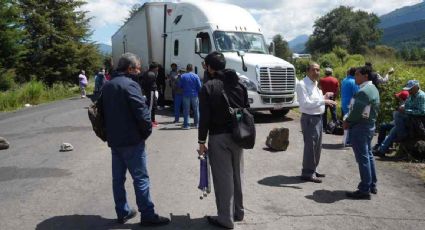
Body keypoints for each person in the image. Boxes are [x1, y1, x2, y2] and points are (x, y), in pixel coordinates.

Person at [101, 53, 170, 226]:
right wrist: (145, 133)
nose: (139, 71)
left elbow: (102, 112)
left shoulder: (108, 85)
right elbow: (142, 113)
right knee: (140, 178)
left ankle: (122, 211)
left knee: (118, 179)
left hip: (115, 141)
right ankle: (147, 214)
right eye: (138, 68)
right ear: (130, 68)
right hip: (132, 141)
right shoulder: (130, 85)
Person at [198, 51, 249, 229]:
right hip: (239, 135)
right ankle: (239, 211)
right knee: (237, 174)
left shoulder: (208, 87)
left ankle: (225, 218)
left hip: (218, 137)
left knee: (223, 178)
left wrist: (201, 142)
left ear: (209, 67)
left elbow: (204, 119)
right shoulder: (240, 85)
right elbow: (246, 109)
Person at [296, 62, 337, 183]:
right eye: (314, 70)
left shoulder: (315, 84)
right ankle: (307, 172)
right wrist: (323, 101)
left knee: (318, 146)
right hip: (309, 118)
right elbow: (305, 103)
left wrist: (324, 96)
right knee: (310, 146)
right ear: (307, 71)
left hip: (318, 117)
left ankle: (313, 169)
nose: (317, 72)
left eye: (318, 70)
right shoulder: (302, 84)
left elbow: (315, 100)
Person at [343, 66, 380, 200]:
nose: (355, 77)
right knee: (368, 156)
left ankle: (364, 189)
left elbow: (357, 111)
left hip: (361, 127)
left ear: (365, 76)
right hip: (369, 126)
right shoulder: (373, 88)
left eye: (357, 75)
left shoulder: (364, 91)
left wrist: (347, 121)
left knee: (363, 158)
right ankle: (371, 184)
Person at [374, 80, 425, 157]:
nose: (408, 90)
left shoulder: (421, 96)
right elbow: (408, 105)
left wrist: (406, 110)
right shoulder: (412, 95)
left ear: (415, 87)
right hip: (410, 118)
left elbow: (422, 112)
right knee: (394, 129)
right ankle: (382, 150)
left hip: (417, 120)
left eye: (410, 89)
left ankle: (402, 134)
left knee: (397, 115)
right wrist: (403, 107)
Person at [179, 64, 202, 129]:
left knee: (186, 110)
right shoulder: (196, 76)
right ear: (192, 69)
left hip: (186, 94)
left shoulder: (182, 76)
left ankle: (186, 125)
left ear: (186, 68)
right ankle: (196, 124)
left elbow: (180, 85)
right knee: (196, 110)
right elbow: (199, 86)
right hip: (194, 95)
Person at [140, 62, 159, 127]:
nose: (157, 69)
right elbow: (149, 85)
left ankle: (153, 120)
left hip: (150, 91)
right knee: (150, 107)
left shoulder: (149, 73)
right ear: (155, 68)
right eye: (157, 68)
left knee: (153, 106)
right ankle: (149, 122)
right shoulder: (151, 74)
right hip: (150, 91)